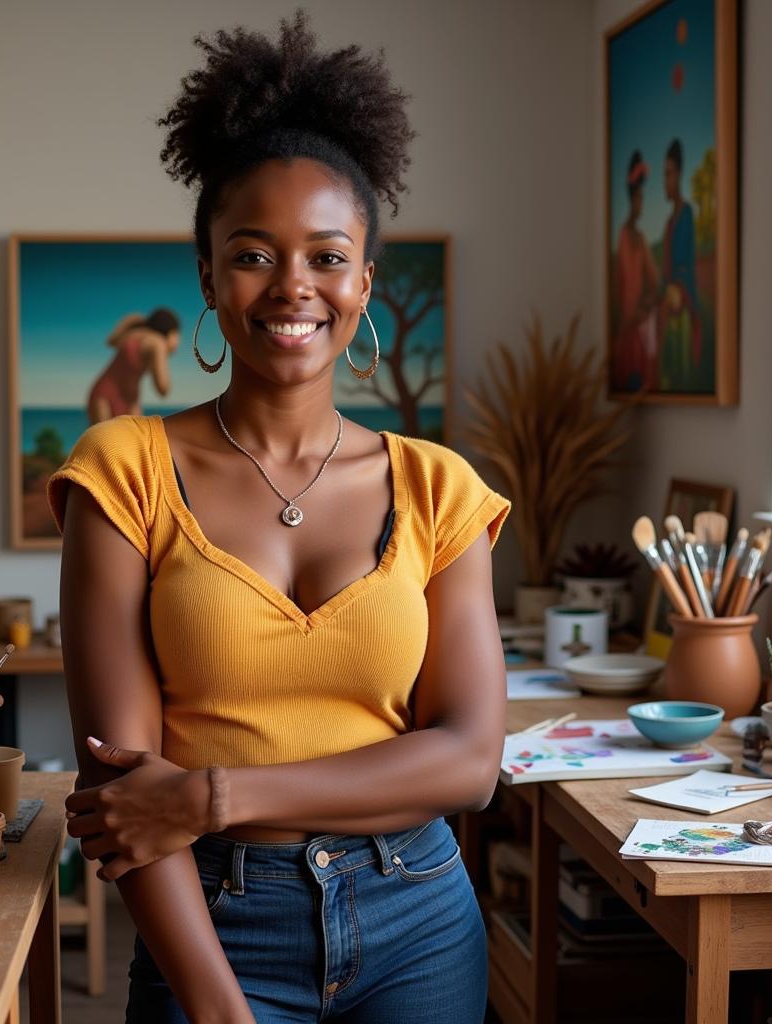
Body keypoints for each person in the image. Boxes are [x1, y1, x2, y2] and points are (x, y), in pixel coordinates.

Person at [49, 13, 509, 1023]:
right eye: (253, 254)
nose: (292, 285)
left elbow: (471, 761)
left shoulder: (440, 488)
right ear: (208, 277)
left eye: (326, 256)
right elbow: (124, 793)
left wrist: (218, 793)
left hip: (419, 919)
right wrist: (216, 1006)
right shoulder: (122, 469)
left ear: (362, 285)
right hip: (210, 922)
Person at [612, 150, 659, 391]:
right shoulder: (624, 236)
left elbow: (655, 282)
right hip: (626, 325)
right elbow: (618, 283)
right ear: (632, 199)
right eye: (640, 197)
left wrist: (643, 307)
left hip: (636, 325)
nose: (642, 204)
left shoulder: (639, 238)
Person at [86, 307, 181, 423]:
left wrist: (134, 320)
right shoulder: (157, 343)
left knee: (103, 440)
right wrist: (162, 358)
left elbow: (111, 341)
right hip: (119, 400)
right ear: (171, 332)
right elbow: (163, 389)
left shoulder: (135, 333)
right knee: (124, 440)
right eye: (178, 335)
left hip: (103, 395)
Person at [659, 138, 700, 390]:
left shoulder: (686, 216)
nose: (665, 181)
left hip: (681, 307)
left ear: (679, 174)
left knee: (680, 369)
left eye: (669, 174)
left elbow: (686, 265)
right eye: (664, 175)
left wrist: (678, 291)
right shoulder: (668, 222)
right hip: (668, 306)